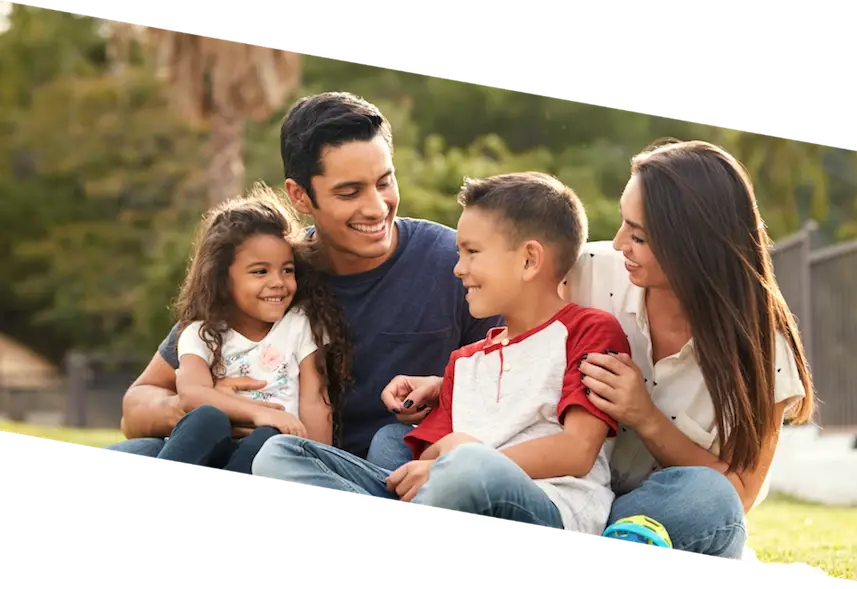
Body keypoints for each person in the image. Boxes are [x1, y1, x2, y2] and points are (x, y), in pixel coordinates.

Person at [363, 139, 817, 560]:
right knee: (392, 442)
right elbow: (524, 347)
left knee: (708, 497)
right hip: (551, 486)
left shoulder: (761, 346)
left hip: (647, 512)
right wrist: (449, 389)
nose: (620, 243)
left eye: (638, 235)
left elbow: (741, 493)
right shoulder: (590, 270)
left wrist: (646, 417)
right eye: (623, 222)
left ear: (692, 244)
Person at [102, 91, 502, 468]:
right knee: (133, 449)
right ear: (299, 196)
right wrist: (210, 408)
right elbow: (136, 404)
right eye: (349, 192)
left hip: (369, 468)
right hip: (239, 448)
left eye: (384, 182)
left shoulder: (453, 265)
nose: (377, 207)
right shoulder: (270, 274)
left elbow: (515, 392)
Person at [252, 172, 633, 537]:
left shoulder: (588, 330)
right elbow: (429, 453)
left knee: (466, 467)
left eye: (471, 253)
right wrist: (438, 460)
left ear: (529, 259)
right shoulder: (464, 361)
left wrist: (455, 457)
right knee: (280, 455)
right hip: (443, 491)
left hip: (549, 505)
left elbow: (578, 450)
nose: (458, 269)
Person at [143, 189, 353, 478]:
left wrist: (317, 467)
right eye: (259, 272)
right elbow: (192, 394)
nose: (278, 282)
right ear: (222, 278)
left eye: (287, 270)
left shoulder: (301, 324)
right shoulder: (201, 333)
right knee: (207, 417)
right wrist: (257, 411)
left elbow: (315, 401)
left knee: (270, 437)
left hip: (265, 458)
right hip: (209, 449)